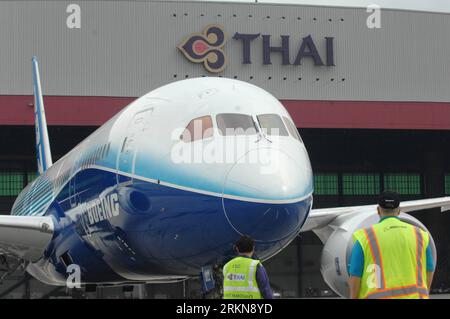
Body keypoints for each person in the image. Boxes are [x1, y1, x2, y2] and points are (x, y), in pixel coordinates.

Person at [348, 191, 435, 299]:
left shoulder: (364, 237)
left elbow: (355, 274)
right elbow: (430, 268)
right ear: (399, 211)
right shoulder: (420, 235)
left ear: (378, 210)